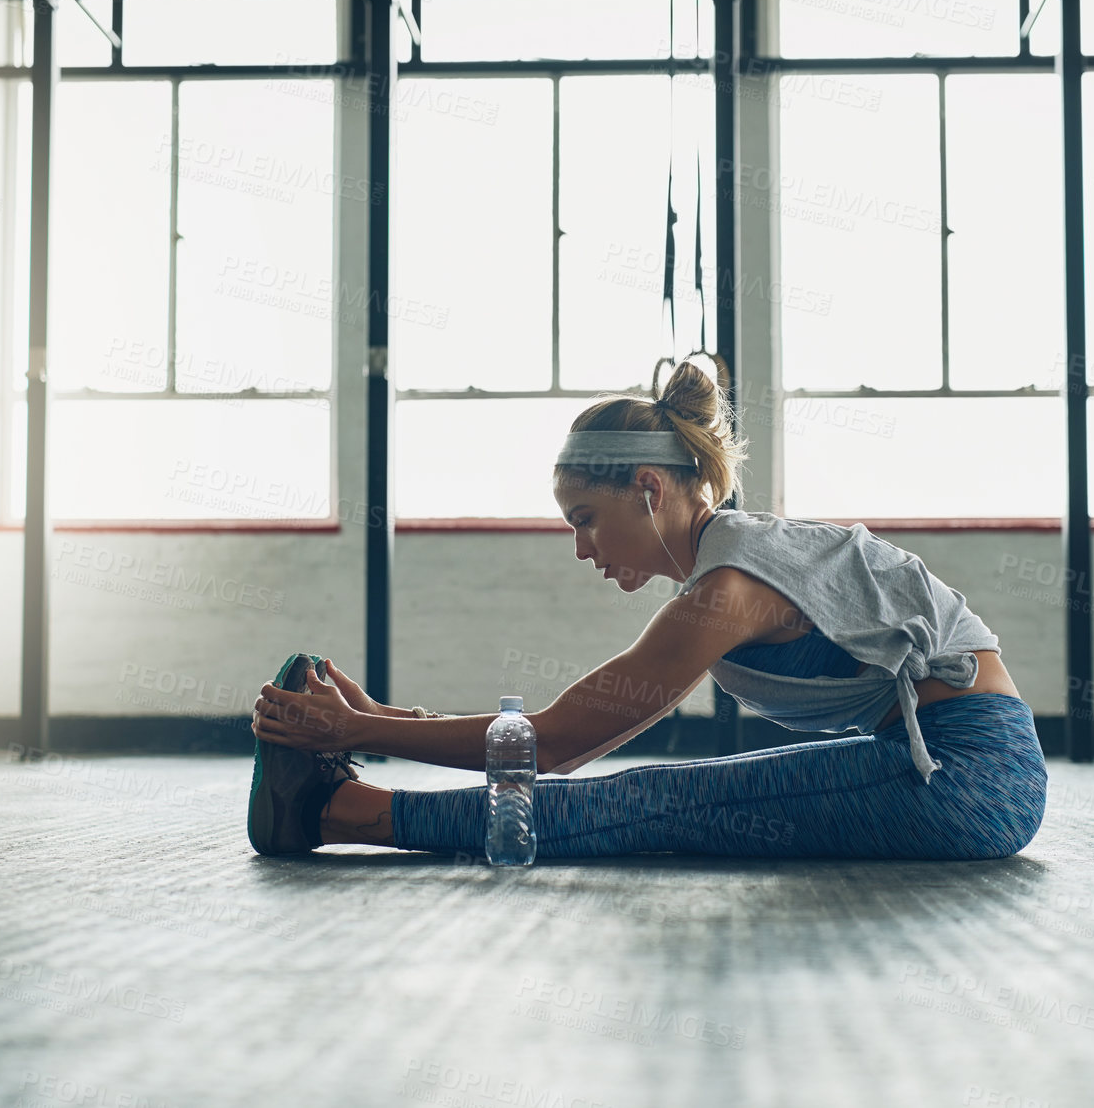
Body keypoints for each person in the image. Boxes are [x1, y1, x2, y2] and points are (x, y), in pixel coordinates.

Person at [247, 358, 1046, 861]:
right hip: (949, 763)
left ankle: (341, 812)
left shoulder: (730, 590)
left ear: (649, 489)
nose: (582, 548)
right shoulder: (730, 564)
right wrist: (387, 718)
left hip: (968, 780)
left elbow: (555, 744)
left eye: (585, 520)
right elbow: (558, 737)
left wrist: (359, 731)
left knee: (656, 800)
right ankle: (349, 805)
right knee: (661, 791)